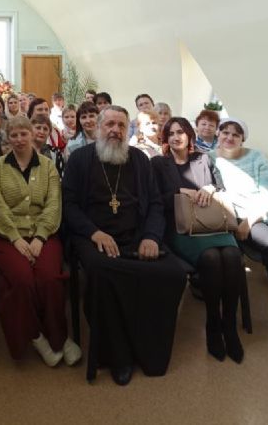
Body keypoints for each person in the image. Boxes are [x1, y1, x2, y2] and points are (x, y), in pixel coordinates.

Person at [62, 105, 186, 386]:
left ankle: (148, 348)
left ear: (128, 130)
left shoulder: (139, 159)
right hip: (92, 237)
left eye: (121, 125)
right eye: (110, 125)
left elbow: (155, 204)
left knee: (173, 274)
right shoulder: (80, 159)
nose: (115, 130)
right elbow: (69, 205)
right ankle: (117, 355)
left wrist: (151, 237)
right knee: (103, 273)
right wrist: (94, 233)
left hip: (136, 235)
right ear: (98, 128)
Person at [0, 116, 81, 367]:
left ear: (31, 134)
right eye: (13, 135)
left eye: (23, 134)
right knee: (22, 280)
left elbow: (53, 204)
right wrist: (16, 239)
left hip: (44, 235)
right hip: (9, 237)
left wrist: (40, 236)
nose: (19, 139)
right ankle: (36, 336)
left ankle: (59, 338)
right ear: (8, 138)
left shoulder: (47, 166)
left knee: (49, 279)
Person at [152, 117, 244, 363]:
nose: (176, 137)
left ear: (190, 136)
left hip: (213, 223)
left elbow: (221, 188)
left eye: (180, 132)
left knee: (233, 255)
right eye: (171, 133)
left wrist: (210, 189)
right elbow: (153, 198)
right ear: (165, 138)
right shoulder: (158, 163)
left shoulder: (203, 159)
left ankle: (229, 326)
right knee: (211, 258)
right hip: (181, 228)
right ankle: (213, 324)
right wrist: (179, 191)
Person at [210, 118, 268, 339]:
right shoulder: (210, 158)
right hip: (242, 220)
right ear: (218, 134)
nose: (229, 137)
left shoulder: (256, 156)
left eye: (236, 134)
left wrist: (252, 218)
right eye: (225, 132)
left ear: (243, 139)